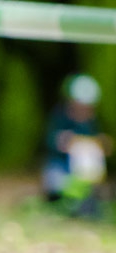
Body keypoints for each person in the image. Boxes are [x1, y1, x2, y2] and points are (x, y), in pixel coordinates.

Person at [41, 73, 112, 216]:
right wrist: (63, 142)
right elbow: (51, 142)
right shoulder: (59, 118)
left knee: (91, 187)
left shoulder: (91, 123)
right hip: (61, 169)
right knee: (58, 185)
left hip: (84, 173)